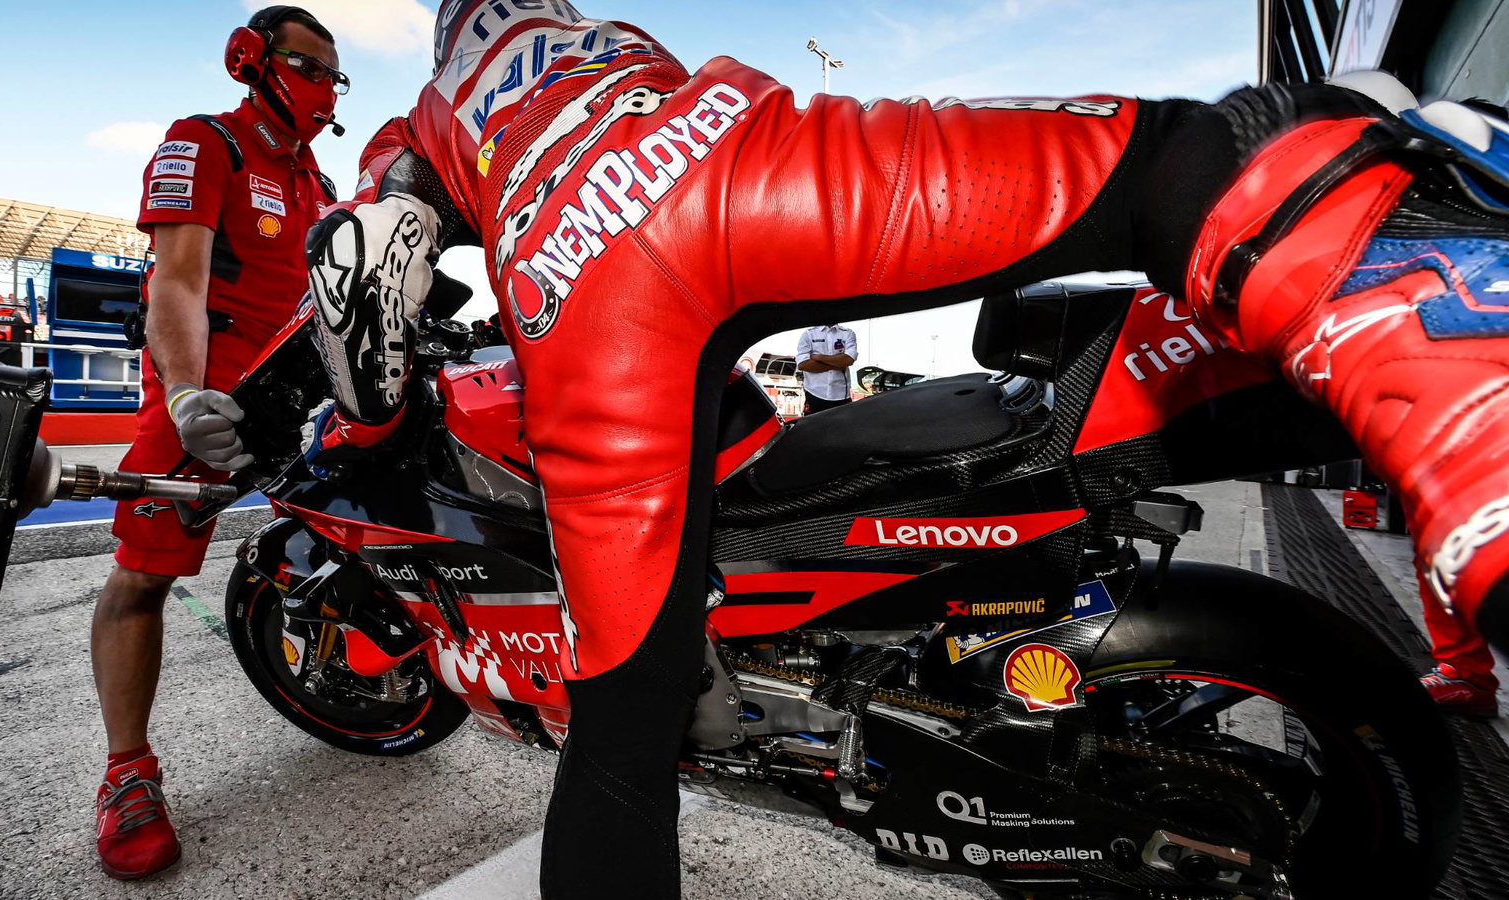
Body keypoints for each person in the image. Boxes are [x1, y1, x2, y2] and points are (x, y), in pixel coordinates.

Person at [300, 3, 1509, 895]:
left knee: (621, 735)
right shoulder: (591, 31)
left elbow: (361, 275)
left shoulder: (430, 113)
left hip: (594, 291)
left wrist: (359, 419)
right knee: (1182, 159)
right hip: (735, 156)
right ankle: (1444, 340)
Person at [89, 5, 343, 880]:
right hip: (210, 398)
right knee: (141, 577)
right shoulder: (206, 142)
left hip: (301, 399)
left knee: (372, 533)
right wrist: (191, 393)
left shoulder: (320, 182)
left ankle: (354, 684)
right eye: (311, 67)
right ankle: (127, 772)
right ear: (252, 60)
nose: (326, 89)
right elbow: (179, 282)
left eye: (333, 77)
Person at [795, 323, 857, 414]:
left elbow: (849, 359)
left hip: (842, 396)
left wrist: (819, 357)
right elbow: (803, 364)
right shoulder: (808, 334)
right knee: (813, 428)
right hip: (814, 394)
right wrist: (838, 363)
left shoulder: (848, 333)